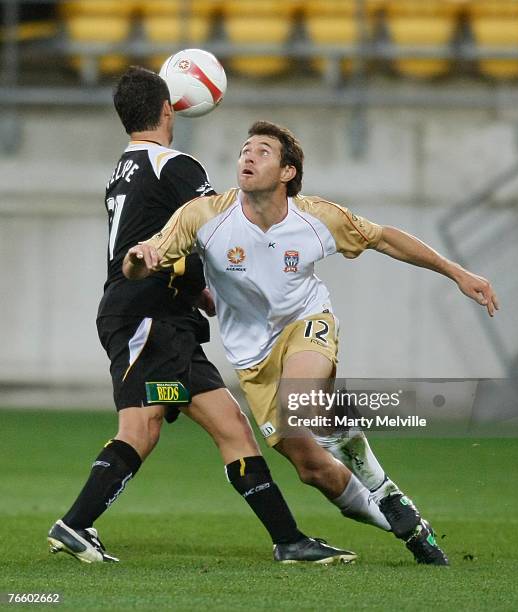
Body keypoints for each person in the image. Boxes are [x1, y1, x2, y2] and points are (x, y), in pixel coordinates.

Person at [124, 120, 500, 566]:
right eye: (245, 149)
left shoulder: (317, 218)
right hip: (252, 358)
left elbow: (384, 238)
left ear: (287, 172)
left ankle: (378, 484)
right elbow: (140, 265)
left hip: (306, 323)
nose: (247, 156)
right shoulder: (203, 216)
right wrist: (137, 260)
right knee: (314, 469)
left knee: (301, 400)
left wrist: (458, 272)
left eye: (263, 151)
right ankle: (406, 522)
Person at [47, 70, 356, 565]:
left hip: (166, 322)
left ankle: (290, 541)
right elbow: (214, 227)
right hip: (149, 319)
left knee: (232, 426)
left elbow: (166, 240)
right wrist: (211, 287)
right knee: (141, 428)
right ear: (170, 111)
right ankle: (75, 524)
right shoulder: (176, 166)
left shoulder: (124, 168)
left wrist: (196, 292)